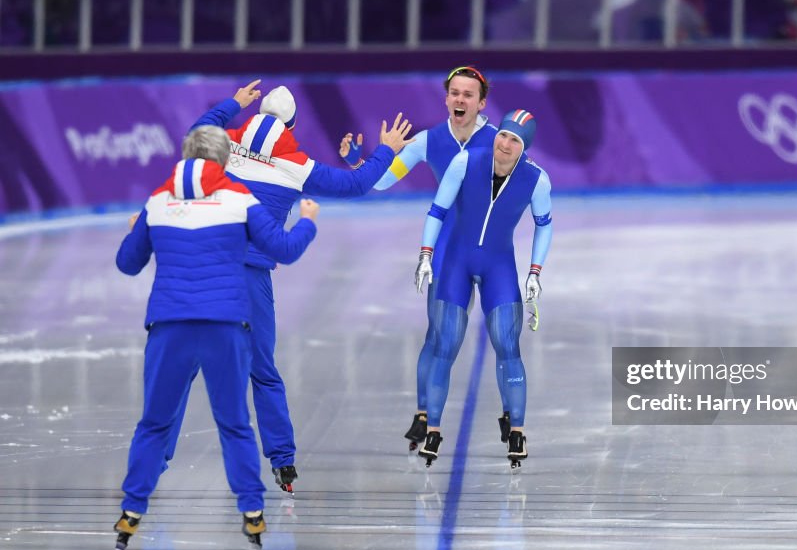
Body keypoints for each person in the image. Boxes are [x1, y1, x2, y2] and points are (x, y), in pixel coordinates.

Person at [175, 81, 414, 493]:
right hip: (249, 278)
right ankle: (283, 462)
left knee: (180, 370)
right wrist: (386, 148)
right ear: (292, 125)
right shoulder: (296, 164)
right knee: (262, 372)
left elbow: (194, 131)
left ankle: (155, 458)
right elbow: (356, 186)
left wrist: (234, 103)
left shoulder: (225, 143)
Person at [113, 126, 320, 550]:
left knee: (154, 423)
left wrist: (135, 230)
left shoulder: (157, 201)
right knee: (235, 425)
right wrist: (308, 224)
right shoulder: (239, 199)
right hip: (224, 326)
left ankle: (133, 509)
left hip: (169, 328)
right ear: (225, 160)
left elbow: (127, 264)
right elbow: (283, 248)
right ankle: (252, 511)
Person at [339, 66, 501, 451]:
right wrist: (359, 160)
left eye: (468, 94)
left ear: (481, 103)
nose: (460, 99)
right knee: (440, 334)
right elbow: (380, 181)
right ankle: (424, 415)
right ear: (446, 99)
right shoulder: (428, 141)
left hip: (490, 251)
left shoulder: (500, 141)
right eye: (455, 93)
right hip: (448, 251)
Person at [413, 109, 552, 470]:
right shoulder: (465, 161)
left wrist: (535, 272)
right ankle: (433, 427)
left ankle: (517, 428)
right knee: (445, 344)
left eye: (514, 140)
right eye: (502, 135)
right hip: (456, 263)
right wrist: (426, 254)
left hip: (499, 268)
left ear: (524, 148)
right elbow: (437, 209)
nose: (504, 145)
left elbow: (545, 225)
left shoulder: (536, 180)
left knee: (507, 345)